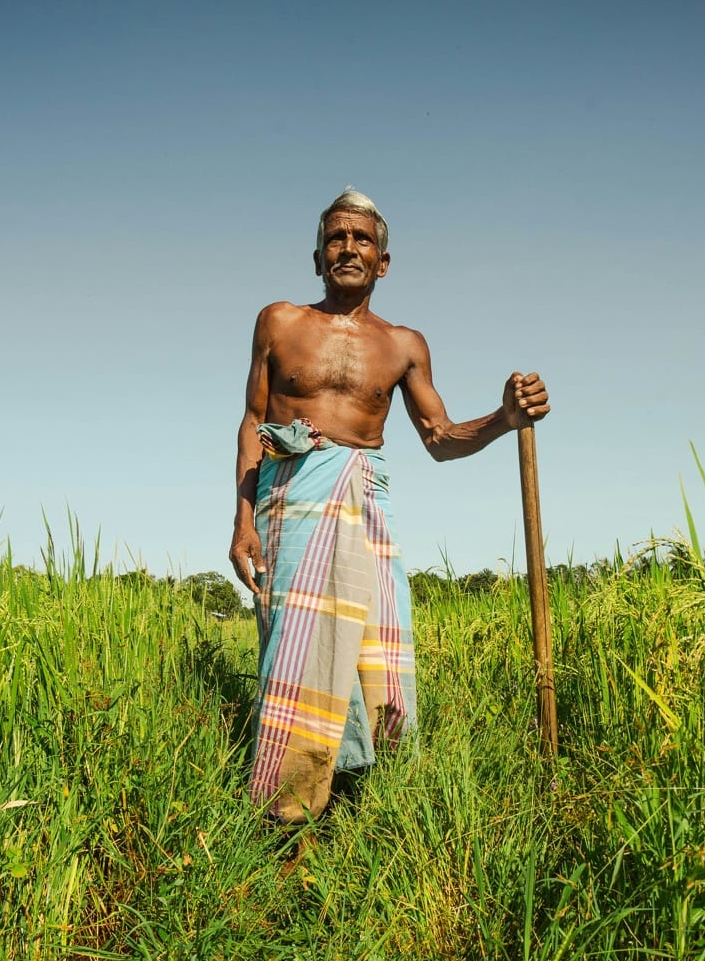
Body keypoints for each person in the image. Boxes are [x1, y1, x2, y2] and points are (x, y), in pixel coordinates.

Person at [230, 188, 551, 824]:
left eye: (362, 240)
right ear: (318, 257)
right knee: (296, 649)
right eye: (336, 238)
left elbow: (440, 438)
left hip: (363, 502)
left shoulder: (405, 344)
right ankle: (287, 815)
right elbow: (251, 419)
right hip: (290, 499)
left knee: (373, 648)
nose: (348, 248)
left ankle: (356, 799)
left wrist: (505, 417)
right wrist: (242, 520)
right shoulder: (280, 321)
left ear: (383, 262)